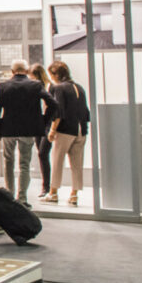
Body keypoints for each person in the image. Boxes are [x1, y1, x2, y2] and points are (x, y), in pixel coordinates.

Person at [0, 60, 48, 206]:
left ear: (12, 71)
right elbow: (53, 104)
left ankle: (10, 197)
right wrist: (42, 121)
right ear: (27, 71)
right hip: (27, 130)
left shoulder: (3, 86)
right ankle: (22, 198)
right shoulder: (36, 85)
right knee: (24, 164)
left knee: (8, 162)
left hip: (8, 130)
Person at [42, 61, 90, 206]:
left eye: (51, 74)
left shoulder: (58, 88)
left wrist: (52, 130)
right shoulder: (79, 88)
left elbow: (59, 111)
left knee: (57, 160)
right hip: (81, 129)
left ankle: (53, 192)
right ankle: (74, 194)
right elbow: (85, 111)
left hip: (65, 129)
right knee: (77, 163)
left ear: (56, 74)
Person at [28, 63, 54, 197]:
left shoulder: (50, 87)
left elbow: (54, 107)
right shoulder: (35, 89)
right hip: (38, 124)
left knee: (43, 153)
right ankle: (46, 186)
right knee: (41, 153)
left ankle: (47, 187)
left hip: (48, 125)